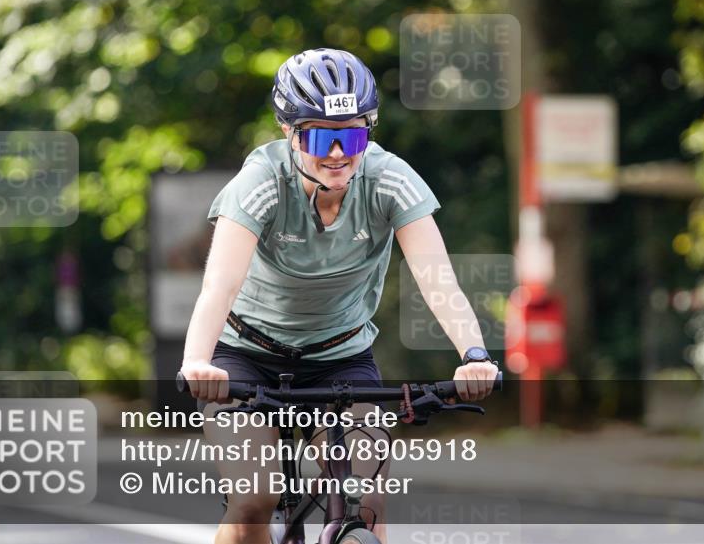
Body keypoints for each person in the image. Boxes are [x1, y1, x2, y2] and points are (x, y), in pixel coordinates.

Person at [180, 48, 499, 544]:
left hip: (341, 359)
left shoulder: (390, 179)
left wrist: (473, 354)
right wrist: (198, 363)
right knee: (253, 501)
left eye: (351, 135)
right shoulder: (261, 182)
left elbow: (436, 277)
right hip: (244, 358)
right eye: (320, 137)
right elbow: (220, 284)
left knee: (367, 501)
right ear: (289, 132)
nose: (337, 153)